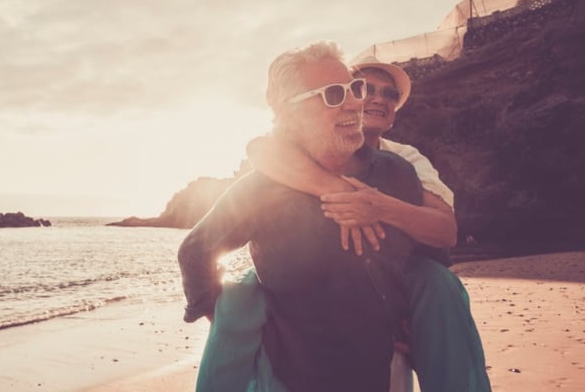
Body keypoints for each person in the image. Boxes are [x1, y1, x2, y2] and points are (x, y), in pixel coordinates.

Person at [179, 41, 424, 391]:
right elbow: (194, 253)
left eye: (354, 89)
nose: (355, 102)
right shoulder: (260, 191)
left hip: (386, 374)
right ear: (288, 112)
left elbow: (421, 259)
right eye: (333, 95)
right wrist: (234, 324)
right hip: (294, 379)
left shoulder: (396, 173)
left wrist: (414, 320)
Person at [246, 57, 491, 391]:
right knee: (237, 299)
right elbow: (261, 149)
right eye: (366, 89)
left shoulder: (406, 159)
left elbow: (444, 231)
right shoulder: (311, 146)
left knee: (439, 285)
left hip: (397, 274)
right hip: (316, 275)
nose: (378, 98)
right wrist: (335, 189)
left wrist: (379, 207)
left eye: (390, 94)